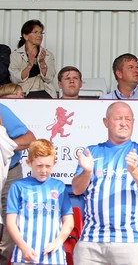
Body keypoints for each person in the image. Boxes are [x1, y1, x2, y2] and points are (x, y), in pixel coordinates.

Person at [71, 101, 138, 265]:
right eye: (118, 118)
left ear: (133, 122)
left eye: (128, 119)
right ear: (106, 122)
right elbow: (76, 189)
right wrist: (87, 171)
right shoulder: (92, 151)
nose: (124, 123)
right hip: (91, 242)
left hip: (131, 241)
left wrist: (134, 170)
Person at [6, 139, 74, 265]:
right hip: (24, 256)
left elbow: (69, 221)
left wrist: (57, 242)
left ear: (54, 163)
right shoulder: (18, 187)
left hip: (54, 258)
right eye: (39, 166)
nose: (43, 170)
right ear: (29, 162)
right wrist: (23, 247)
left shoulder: (59, 186)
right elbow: (11, 222)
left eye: (48, 166)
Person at [0, 103, 35, 265]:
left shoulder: (1, 110)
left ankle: (3, 258)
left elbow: (30, 139)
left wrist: (4, 147)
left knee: (10, 218)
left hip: (9, 172)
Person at [9, 19, 57, 98]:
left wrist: (42, 64)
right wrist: (29, 66)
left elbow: (49, 79)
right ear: (26, 36)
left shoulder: (48, 55)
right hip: (23, 92)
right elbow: (14, 79)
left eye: (41, 33)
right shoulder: (15, 55)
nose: (40, 35)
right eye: (35, 32)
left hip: (44, 91)